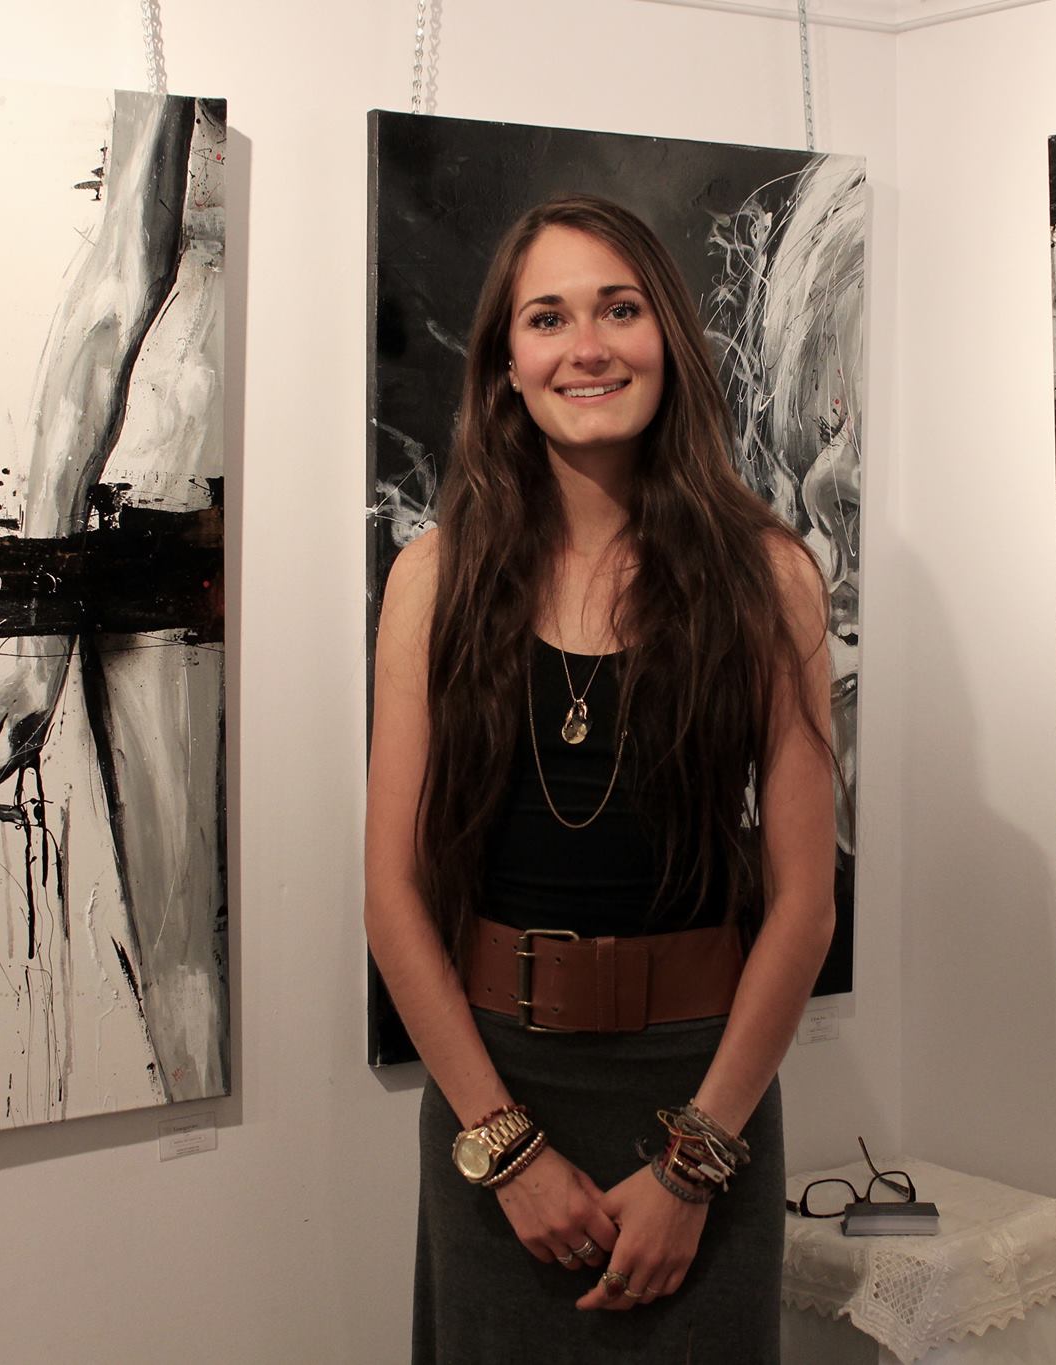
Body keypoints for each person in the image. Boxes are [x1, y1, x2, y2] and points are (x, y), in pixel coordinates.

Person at [365, 193, 837, 1363]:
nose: (587, 347)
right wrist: (507, 1149)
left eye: (619, 310)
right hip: (495, 1092)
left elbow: (803, 906)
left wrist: (693, 1165)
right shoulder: (432, 579)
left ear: (666, 337)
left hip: (701, 1096)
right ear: (505, 365)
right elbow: (391, 897)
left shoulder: (767, 577)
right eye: (548, 318)